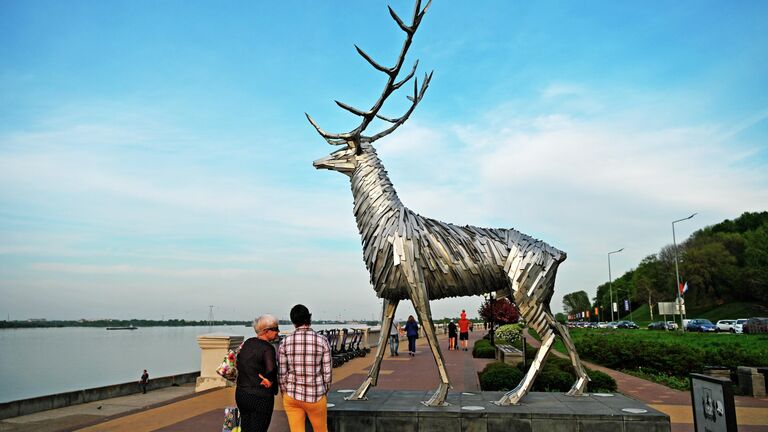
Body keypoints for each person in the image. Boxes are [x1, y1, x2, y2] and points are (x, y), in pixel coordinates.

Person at [278, 304, 332, 432]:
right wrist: (324, 390)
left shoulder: (285, 342)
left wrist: (285, 392)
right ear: (309, 318)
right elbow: (327, 372)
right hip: (315, 394)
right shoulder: (322, 340)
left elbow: (282, 373)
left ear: (293, 321)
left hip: (292, 395)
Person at [236, 314, 280, 432]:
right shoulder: (268, 348)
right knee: (259, 428)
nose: (278, 332)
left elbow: (239, 361)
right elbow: (271, 369)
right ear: (266, 331)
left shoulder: (248, 342)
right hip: (260, 396)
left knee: (246, 427)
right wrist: (270, 381)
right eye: (275, 329)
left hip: (242, 393)